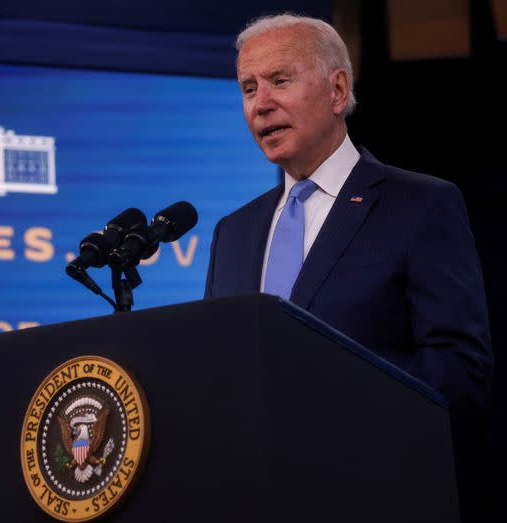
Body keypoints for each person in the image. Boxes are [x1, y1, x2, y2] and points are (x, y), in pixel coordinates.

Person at [204, 13, 493, 412]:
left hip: (367, 466)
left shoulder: (420, 206)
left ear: (337, 90)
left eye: (280, 80)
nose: (261, 104)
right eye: (249, 88)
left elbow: (460, 370)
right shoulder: (233, 232)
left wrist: (332, 394)